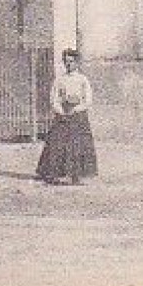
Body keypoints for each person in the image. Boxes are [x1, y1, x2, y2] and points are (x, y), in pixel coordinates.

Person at [36, 49, 98, 185]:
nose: (68, 64)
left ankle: (77, 175)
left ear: (77, 62)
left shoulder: (83, 79)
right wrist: (61, 111)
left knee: (78, 145)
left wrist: (76, 109)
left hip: (78, 116)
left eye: (71, 61)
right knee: (56, 143)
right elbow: (54, 98)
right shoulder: (60, 80)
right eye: (66, 62)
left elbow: (88, 99)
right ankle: (54, 174)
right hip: (63, 116)